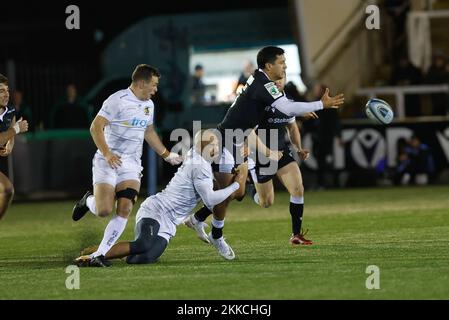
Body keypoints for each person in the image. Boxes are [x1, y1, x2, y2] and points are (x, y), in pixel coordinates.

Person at [185, 46, 344, 254]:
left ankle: (204, 224)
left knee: (250, 191)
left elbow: (289, 117)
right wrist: (320, 104)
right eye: (281, 63)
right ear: (269, 66)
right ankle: (201, 224)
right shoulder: (264, 85)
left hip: (245, 141)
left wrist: (296, 146)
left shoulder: (266, 86)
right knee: (230, 192)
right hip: (233, 142)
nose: (284, 67)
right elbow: (279, 113)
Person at [75, 129, 246, 266]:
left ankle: (106, 250)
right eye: (214, 144)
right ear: (205, 147)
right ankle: (94, 256)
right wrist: (236, 185)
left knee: (144, 257)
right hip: (158, 210)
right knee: (143, 244)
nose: (217, 148)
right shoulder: (200, 165)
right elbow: (210, 200)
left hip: (170, 221)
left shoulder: (199, 156)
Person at [71, 64, 182, 267]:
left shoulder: (149, 105)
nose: (156, 90)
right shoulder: (117, 100)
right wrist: (107, 153)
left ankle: (100, 255)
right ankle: (88, 201)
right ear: (141, 83)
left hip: (131, 165)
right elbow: (95, 127)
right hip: (107, 162)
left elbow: (149, 131)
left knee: (124, 208)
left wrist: (166, 155)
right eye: (154, 85)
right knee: (103, 210)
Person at [245, 75, 318, 245]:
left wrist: (298, 148)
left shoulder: (288, 101)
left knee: (298, 188)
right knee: (266, 202)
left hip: (281, 152)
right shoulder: (261, 103)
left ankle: (296, 234)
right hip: (260, 155)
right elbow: (248, 130)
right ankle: (248, 186)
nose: (278, 81)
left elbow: (291, 127)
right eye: (274, 79)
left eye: (281, 78)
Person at [0, 74, 29, 221]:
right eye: (1, 91)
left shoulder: (10, 110)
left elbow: (11, 125)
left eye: (7, 90)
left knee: (7, 190)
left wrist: (10, 145)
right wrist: (17, 130)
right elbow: (14, 129)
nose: (6, 94)